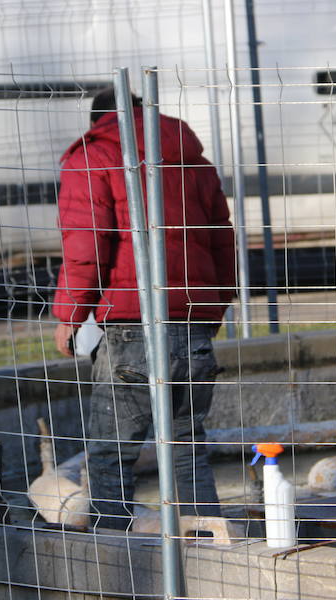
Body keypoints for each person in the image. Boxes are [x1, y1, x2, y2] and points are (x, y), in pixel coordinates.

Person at [52, 88, 236, 530]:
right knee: (187, 449)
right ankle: (212, 559)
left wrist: (69, 316)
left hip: (129, 327)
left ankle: (117, 567)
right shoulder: (192, 161)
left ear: (99, 121)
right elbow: (221, 240)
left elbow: (86, 247)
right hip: (190, 322)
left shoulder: (92, 157)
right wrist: (212, 309)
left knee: (112, 455)